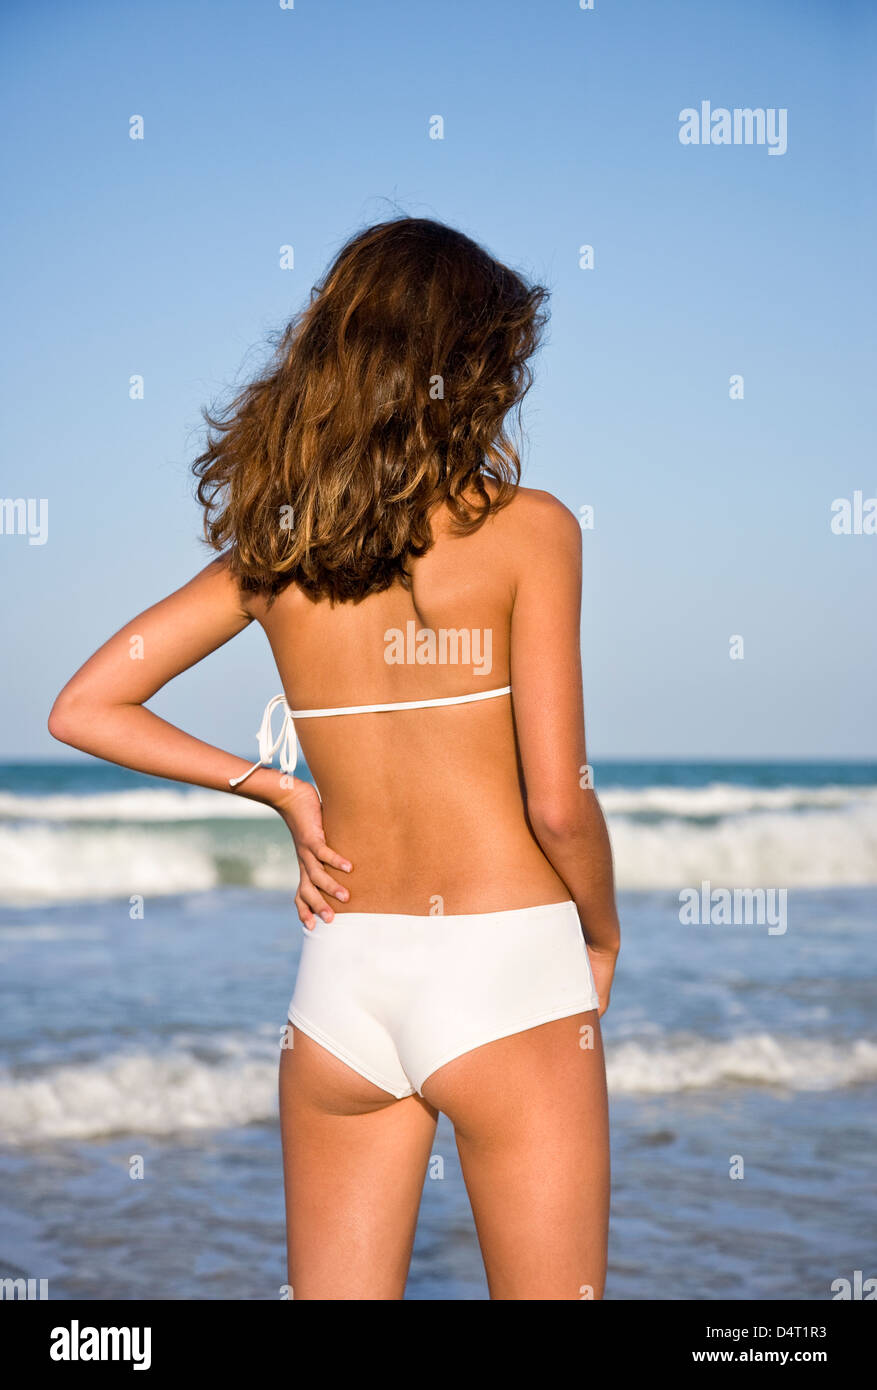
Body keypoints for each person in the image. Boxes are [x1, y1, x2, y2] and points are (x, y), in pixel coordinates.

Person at [48, 216, 621, 1301]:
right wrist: (599, 932)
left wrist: (274, 789)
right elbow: (557, 801)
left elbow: (85, 704)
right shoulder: (533, 530)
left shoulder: (275, 554)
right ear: (470, 365)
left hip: (342, 995)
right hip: (508, 972)